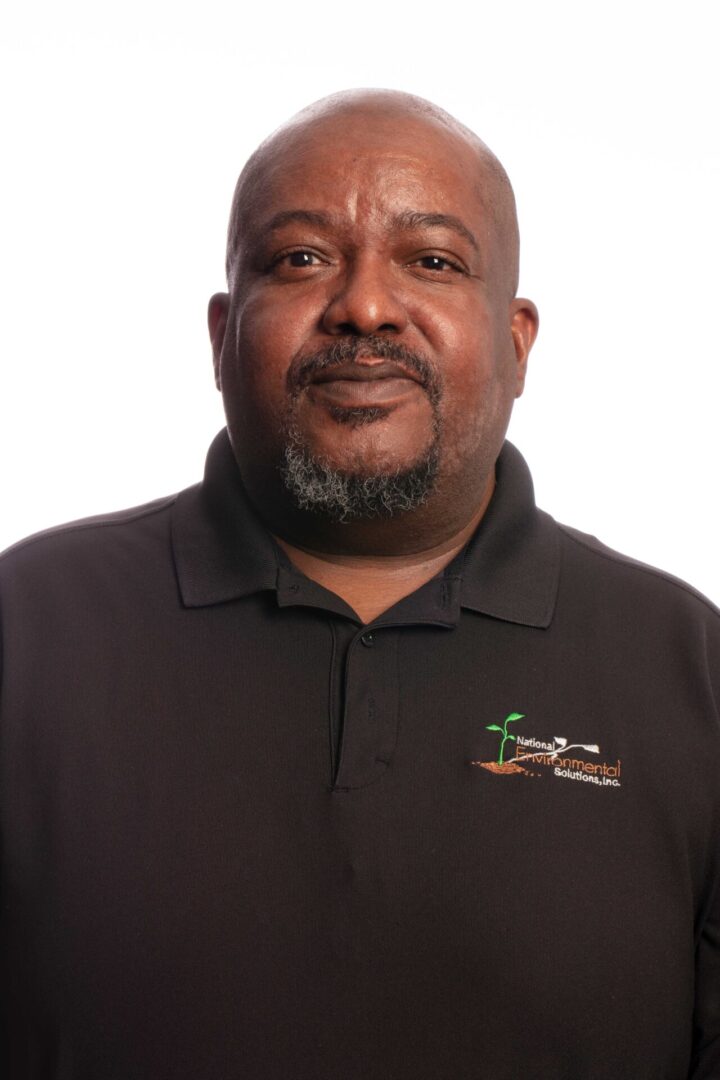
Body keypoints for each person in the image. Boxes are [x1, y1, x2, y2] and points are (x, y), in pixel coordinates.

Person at [1, 89, 718, 1079]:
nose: (366, 306)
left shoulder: (690, 672)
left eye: (431, 259)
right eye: (300, 258)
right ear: (221, 336)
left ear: (516, 344)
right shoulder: (25, 633)